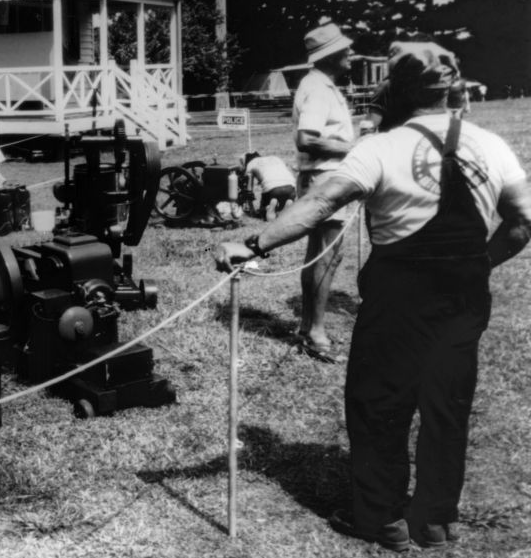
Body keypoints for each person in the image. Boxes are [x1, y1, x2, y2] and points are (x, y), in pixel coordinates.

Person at [214, 42, 531, 552]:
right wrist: (476, 266)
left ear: (398, 92)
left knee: (378, 404)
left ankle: (382, 520)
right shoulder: (490, 144)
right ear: (451, 90)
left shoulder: (379, 147)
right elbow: (521, 224)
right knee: (447, 407)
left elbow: (319, 202)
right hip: (465, 298)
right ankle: (434, 522)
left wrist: (252, 242)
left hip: (398, 298)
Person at [291, 21, 356, 359]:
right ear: (331, 55)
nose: (351, 54)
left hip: (325, 178)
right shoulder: (317, 88)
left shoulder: (321, 85)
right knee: (326, 255)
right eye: (346, 49)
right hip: (324, 179)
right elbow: (308, 138)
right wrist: (353, 149)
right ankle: (316, 332)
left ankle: (308, 327)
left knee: (322, 253)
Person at [243, 152, 296, 221]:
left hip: (273, 189)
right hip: (291, 187)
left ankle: (268, 207)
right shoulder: (275, 158)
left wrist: (251, 209)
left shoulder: (251, 164)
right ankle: (285, 205)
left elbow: (249, 190)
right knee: (281, 207)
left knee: (263, 211)